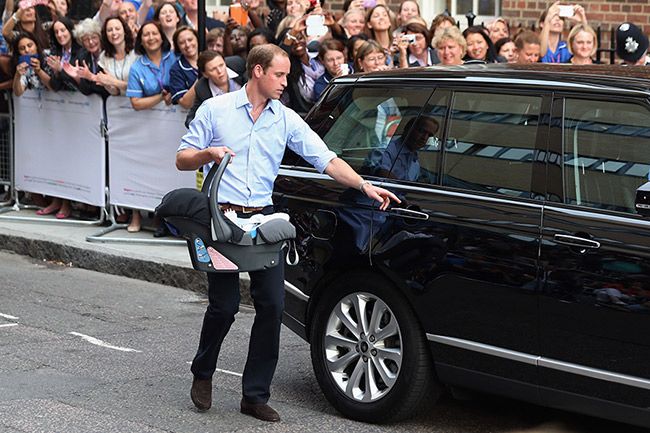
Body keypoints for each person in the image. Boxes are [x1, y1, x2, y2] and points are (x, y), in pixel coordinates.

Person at [176, 43, 399, 422]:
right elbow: (182, 158)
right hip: (220, 220)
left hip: (265, 221)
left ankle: (254, 395)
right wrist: (208, 154)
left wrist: (363, 186)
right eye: (279, 75)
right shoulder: (216, 110)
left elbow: (325, 158)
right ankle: (203, 371)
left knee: (273, 305)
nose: (285, 82)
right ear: (258, 72)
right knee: (224, 307)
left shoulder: (286, 119)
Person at [126, 20, 176, 110]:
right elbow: (136, 103)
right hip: (151, 121)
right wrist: (161, 97)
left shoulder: (175, 58)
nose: (151, 37)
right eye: (146, 35)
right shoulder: (136, 68)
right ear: (141, 41)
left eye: (154, 33)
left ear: (162, 38)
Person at [184, 50, 241, 128]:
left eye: (221, 65)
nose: (220, 71)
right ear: (205, 74)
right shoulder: (202, 89)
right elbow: (191, 119)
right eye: (213, 69)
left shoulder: (239, 65)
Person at [96, 16, 139, 96]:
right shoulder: (104, 56)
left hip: (139, 103)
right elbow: (115, 92)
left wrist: (113, 81)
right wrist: (107, 85)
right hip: (118, 105)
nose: (114, 33)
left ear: (125, 31)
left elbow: (138, 86)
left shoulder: (137, 53)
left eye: (117, 29)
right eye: (109, 30)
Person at [11, 31, 52, 96]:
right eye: (22, 48)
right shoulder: (23, 65)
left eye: (30, 45)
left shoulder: (49, 56)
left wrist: (39, 71)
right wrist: (17, 75)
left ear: (36, 45)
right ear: (19, 52)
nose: (27, 50)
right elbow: (18, 93)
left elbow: (53, 87)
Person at [167, 26, 199, 107]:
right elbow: (185, 103)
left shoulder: (211, 57)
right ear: (177, 47)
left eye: (190, 40)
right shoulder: (176, 69)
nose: (187, 45)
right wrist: (201, 78)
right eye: (182, 43)